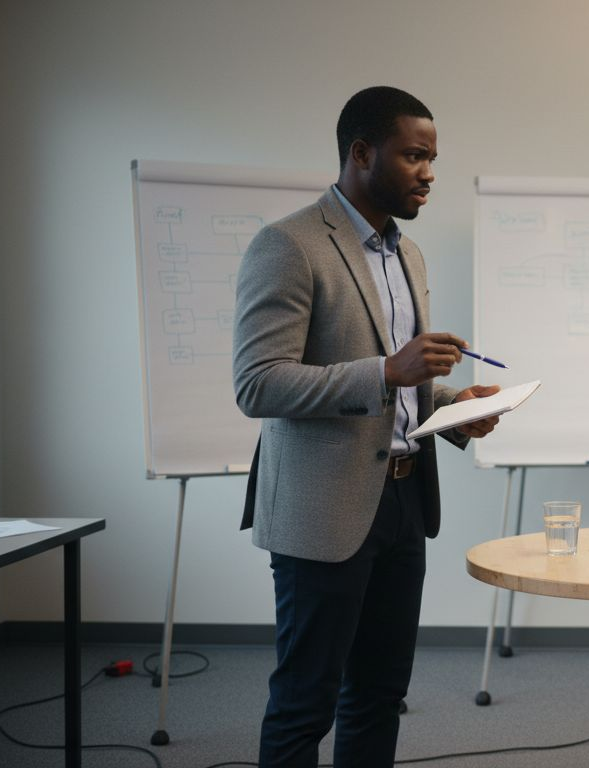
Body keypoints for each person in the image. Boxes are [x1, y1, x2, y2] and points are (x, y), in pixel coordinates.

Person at [233, 86, 502, 768]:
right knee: (306, 701)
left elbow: (401, 384)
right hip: (324, 510)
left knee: (380, 693)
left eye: (433, 158)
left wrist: (454, 408)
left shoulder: (407, 255)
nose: (429, 173)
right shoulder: (288, 245)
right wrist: (387, 371)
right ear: (361, 153)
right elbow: (258, 383)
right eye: (414, 156)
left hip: (405, 500)